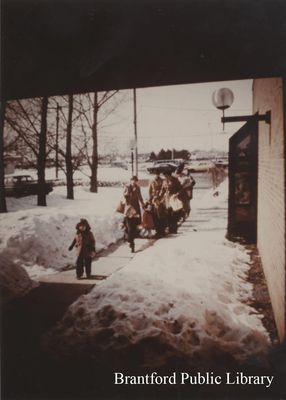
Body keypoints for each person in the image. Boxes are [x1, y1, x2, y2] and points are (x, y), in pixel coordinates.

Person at [123, 176, 144, 252]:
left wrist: (143, 204)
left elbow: (140, 197)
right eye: (133, 180)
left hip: (136, 209)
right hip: (129, 209)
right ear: (130, 181)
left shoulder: (138, 188)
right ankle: (130, 241)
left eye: (135, 181)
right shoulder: (127, 187)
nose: (134, 182)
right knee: (129, 226)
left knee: (135, 226)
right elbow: (125, 196)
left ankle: (130, 239)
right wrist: (129, 192)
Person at [160, 169, 183, 233]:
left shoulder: (175, 180)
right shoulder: (164, 181)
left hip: (173, 199)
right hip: (167, 199)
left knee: (174, 214)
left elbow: (181, 189)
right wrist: (160, 195)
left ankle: (174, 229)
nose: (166, 177)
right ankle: (170, 228)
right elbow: (162, 189)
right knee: (168, 214)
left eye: (167, 176)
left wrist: (176, 194)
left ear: (169, 175)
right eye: (165, 176)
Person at [148, 172, 167, 237]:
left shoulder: (162, 181)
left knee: (161, 216)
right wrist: (150, 200)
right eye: (155, 174)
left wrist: (161, 197)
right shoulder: (151, 181)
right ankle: (157, 231)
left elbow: (164, 190)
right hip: (154, 200)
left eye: (157, 174)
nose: (156, 176)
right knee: (155, 216)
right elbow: (150, 191)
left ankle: (162, 230)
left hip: (160, 200)